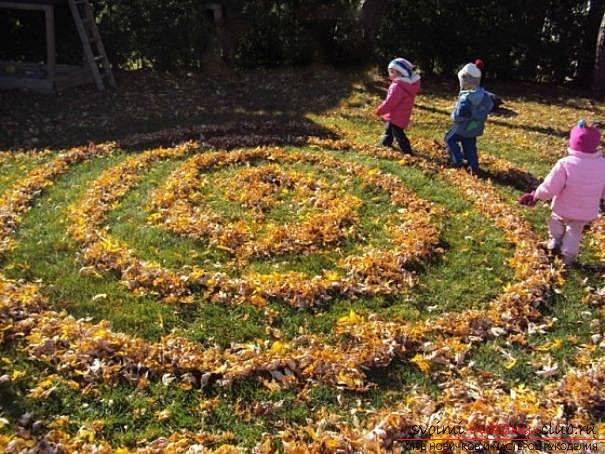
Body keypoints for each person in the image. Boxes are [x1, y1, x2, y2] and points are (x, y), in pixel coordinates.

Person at [518, 120, 605, 266]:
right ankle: (568, 256)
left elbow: (550, 185)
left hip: (564, 206)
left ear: (573, 143)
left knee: (556, 220)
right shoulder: (602, 164)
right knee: (575, 231)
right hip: (586, 209)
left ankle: (555, 241)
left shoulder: (566, 163)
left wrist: (537, 195)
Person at [445, 62, 493, 174]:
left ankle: (457, 160)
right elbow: (490, 106)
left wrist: (454, 116)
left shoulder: (466, 97)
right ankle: (474, 167)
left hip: (462, 127)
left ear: (465, 80)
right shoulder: (485, 95)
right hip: (475, 127)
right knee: (470, 145)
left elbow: (460, 115)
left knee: (449, 139)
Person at [376, 57, 421, 153]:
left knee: (398, 134)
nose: (390, 74)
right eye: (389, 71)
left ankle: (407, 151)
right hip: (402, 115)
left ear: (401, 73)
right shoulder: (407, 85)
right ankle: (385, 143)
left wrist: (380, 110)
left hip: (396, 115)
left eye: (392, 72)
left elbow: (390, 102)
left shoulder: (398, 86)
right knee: (389, 129)